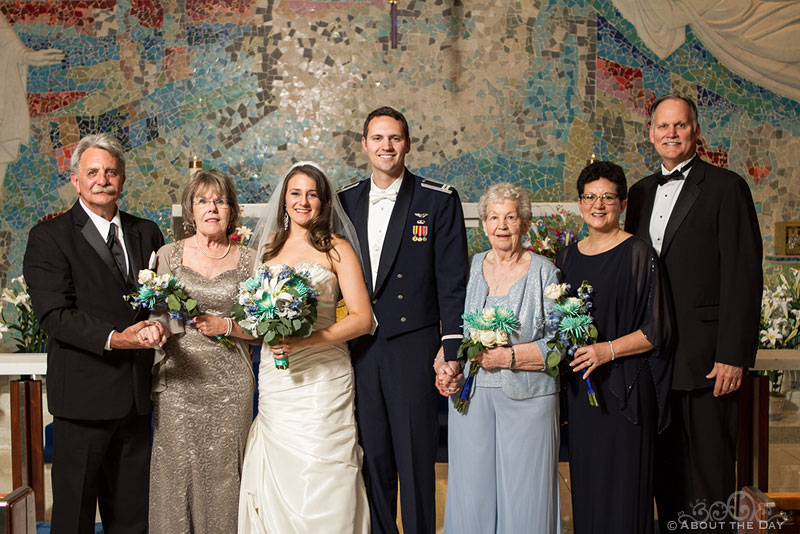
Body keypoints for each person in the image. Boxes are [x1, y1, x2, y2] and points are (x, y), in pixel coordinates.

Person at [625, 95, 762, 533]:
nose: (671, 133)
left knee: (709, 477)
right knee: (664, 477)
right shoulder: (640, 193)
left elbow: (743, 274)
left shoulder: (727, 186)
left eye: (679, 125)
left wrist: (734, 355)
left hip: (708, 361)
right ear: (650, 133)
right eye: (663, 126)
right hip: (654, 360)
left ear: (695, 130)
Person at [23, 133, 165, 533]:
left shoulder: (148, 233)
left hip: (137, 401)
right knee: (74, 518)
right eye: (93, 172)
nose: (102, 179)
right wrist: (117, 337)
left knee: (133, 518)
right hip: (83, 401)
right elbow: (54, 315)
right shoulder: (49, 237)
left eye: (111, 171)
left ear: (122, 179)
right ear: (76, 180)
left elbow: (159, 301)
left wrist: (161, 325)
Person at [338, 106, 468, 534]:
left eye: (394, 138)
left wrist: (450, 349)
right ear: (364, 145)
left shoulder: (438, 199)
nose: (386, 146)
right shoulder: (344, 200)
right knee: (371, 460)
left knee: (414, 462)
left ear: (407, 144)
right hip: (360, 348)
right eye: (378, 138)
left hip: (414, 347)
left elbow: (452, 281)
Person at [238, 162, 373, 533]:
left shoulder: (336, 249)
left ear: (323, 202)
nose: (303, 201)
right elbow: (255, 318)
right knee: (282, 466)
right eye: (295, 193)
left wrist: (307, 341)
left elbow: (363, 318)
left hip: (324, 376)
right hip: (278, 379)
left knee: (325, 467)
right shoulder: (266, 252)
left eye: (312, 194)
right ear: (284, 200)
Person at [435, 182, 562, 534]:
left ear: (523, 222)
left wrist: (507, 357)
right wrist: (442, 363)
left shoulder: (544, 272)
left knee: (525, 494)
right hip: (471, 398)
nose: (501, 225)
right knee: (470, 490)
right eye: (493, 217)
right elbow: (454, 327)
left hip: (529, 398)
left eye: (510, 217)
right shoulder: (472, 267)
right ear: (485, 223)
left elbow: (559, 344)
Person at [556, 161, 672, 533]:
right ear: (580, 203)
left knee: (623, 489)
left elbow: (656, 330)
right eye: (590, 197)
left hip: (626, 390)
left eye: (608, 196)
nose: (598, 204)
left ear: (621, 203)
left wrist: (607, 350)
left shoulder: (639, 253)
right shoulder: (568, 256)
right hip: (582, 392)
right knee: (588, 488)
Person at [141, 170, 258, 532]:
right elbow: (155, 317)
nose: (212, 208)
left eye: (220, 201)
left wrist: (227, 326)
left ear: (232, 210)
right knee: (176, 471)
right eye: (203, 201)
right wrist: (154, 331)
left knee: (226, 473)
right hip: (178, 381)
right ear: (191, 211)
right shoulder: (166, 256)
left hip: (230, 383)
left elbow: (262, 327)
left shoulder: (251, 259)